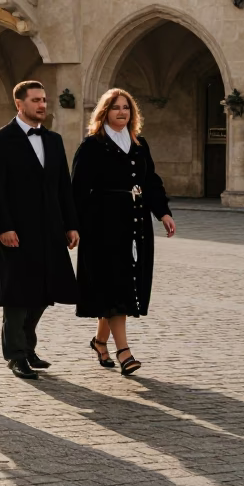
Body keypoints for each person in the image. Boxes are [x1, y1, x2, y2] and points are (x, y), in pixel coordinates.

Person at [72, 88, 176, 377]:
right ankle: (124, 352)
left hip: (136, 222)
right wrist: (73, 227)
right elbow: (77, 190)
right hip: (101, 225)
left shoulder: (140, 144)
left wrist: (163, 213)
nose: (122, 112)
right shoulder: (92, 145)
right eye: (116, 107)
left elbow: (151, 181)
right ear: (104, 112)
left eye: (126, 108)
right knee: (116, 283)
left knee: (125, 283)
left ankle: (100, 341)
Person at [0, 80, 80, 380]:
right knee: (17, 295)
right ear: (19, 104)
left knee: (43, 291)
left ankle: (26, 345)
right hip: (15, 231)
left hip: (50, 229)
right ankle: (15, 355)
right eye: (36, 100)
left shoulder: (53, 140)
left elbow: (64, 185)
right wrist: (3, 227)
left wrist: (71, 224)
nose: (42, 105)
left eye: (44, 100)